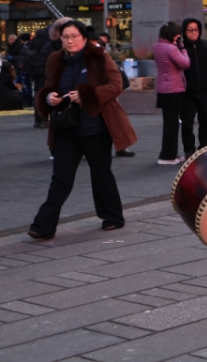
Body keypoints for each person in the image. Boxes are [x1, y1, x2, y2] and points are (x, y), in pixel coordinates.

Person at [28, 20, 135, 239]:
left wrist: (86, 95)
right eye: (65, 37)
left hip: (96, 127)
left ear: (84, 38)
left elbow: (116, 85)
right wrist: (49, 97)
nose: (70, 41)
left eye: (74, 36)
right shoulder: (54, 60)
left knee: (101, 174)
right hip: (66, 129)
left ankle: (113, 217)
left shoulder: (98, 57)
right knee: (61, 178)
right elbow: (47, 87)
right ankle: (43, 226)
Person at [180, 18, 207, 157]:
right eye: (190, 30)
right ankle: (189, 150)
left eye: (196, 29)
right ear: (184, 31)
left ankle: (204, 149)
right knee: (187, 124)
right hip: (187, 94)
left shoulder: (206, 45)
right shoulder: (181, 48)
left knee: (205, 123)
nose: (193, 33)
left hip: (205, 91)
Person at [153, 22, 189, 164]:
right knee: (172, 125)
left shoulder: (157, 46)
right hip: (174, 89)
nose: (179, 36)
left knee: (169, 122)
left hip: (163, 88)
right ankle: (168, 156)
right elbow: (185, 64)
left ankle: (169, 153)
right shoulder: (171, 48)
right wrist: (183, 49)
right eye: (177, 34)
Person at [25, 28, 54, 128]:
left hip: (34, 72)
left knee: (37, 95)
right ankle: (44, 119)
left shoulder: (31, 43)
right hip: (43, 73)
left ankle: (37, 120)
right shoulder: (47, 44)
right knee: (46, 96)